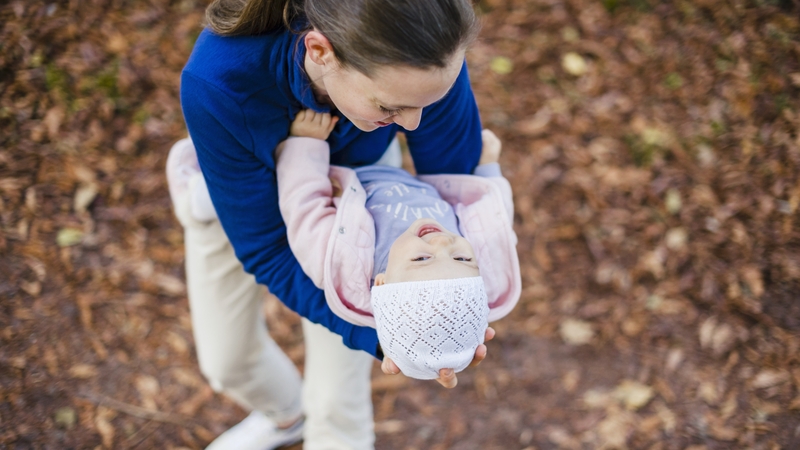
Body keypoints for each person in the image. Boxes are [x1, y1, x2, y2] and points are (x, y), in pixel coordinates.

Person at [168, 0, 495, 448]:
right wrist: (365, 327)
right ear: (320, 52)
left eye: (427, 102)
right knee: (228, 361)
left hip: (369, 205)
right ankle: (286, 417)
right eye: (390, 105)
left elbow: (456, 185)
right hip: (241, 193)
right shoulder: (219, 82)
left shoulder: (426, 59)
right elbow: (267, 250)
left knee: (335, 405)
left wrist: (404, 320)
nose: (414, 125)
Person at [274, 110, 521, 380]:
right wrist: (487, 169)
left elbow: (304, 207)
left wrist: (306, 147)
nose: (441, 242)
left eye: (422, 259)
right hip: (392, 163)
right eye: (462, 259)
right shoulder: (484, 274)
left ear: (381, 283)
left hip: (339, 168)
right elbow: (491, 220)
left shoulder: (344, 264)